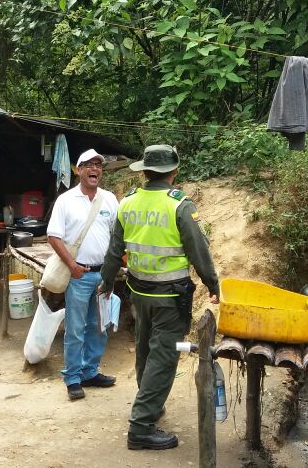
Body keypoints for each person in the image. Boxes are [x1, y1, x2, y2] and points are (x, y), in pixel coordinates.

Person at [100, 145, 219, 451]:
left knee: (144, 347)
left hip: (138, 292)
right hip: (170, 296)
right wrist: (213, 284)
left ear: (143, 171)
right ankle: (140, 427)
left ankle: (149, 402)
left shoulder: (127, 203)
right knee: (164, 355)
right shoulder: (179, 205)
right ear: (174, 171)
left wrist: (106, 282)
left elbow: (115, 250)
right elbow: (198, 251)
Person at [47, 149, 119, 401]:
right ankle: (73, 378)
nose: (94, 169)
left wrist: (115, 268)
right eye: (88, 165)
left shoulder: (109, 199)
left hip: (103, 275)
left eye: (98, 165)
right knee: (76, 328)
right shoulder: (66, 200)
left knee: (99, 326)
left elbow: (116, 236)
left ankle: (90, 371)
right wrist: (72, 265)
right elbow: (53, 236)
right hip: (77, 275)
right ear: (78, 170)